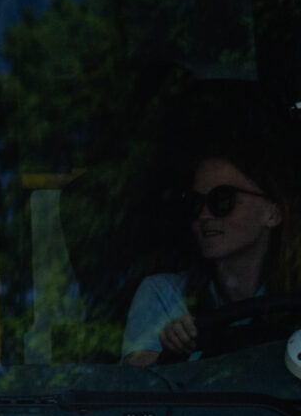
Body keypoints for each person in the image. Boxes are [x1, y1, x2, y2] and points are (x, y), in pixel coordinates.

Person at [125, 147, 301, 365]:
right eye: (195, 203)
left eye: (222, 200)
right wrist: (172, 351)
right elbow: (139, 389)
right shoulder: (164, 295)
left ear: (273, 213)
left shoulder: (295, 299)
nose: (204, 215)